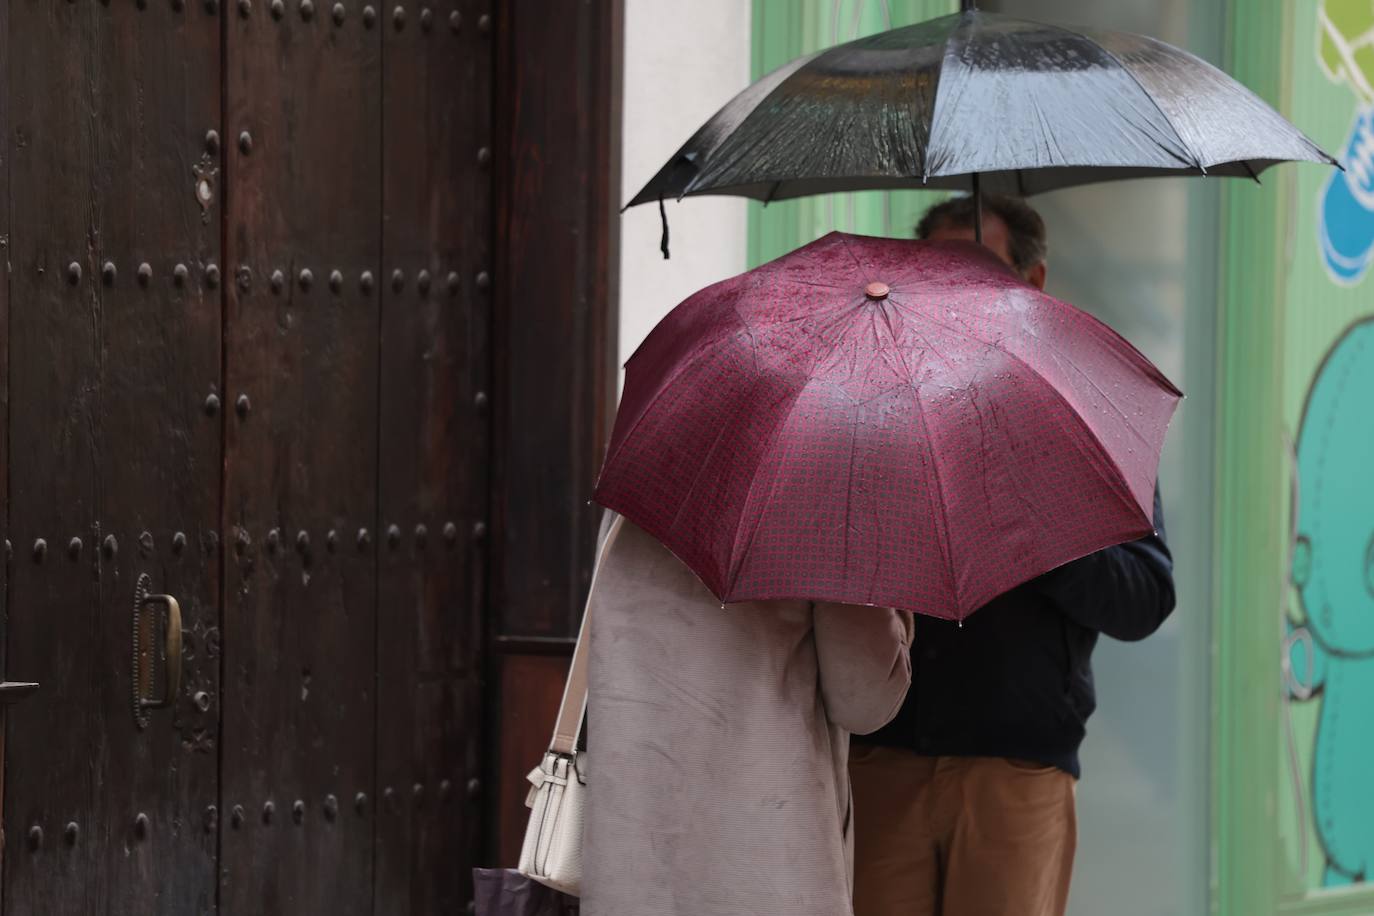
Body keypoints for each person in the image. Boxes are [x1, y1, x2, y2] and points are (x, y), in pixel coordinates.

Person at [849, 194, 1176, 916]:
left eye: (977, 268)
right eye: (935, 270)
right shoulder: (870, 399)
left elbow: (1143, 599)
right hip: (879, 761)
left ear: (1032, 281)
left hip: (1016, 772)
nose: (953, 290)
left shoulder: (1087, 406)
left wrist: (1035, 524)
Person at [582, 514, 914, 916]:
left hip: (633, 856)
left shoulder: (638, 497)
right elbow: (864, 702)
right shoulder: (829, 510)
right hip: (769, 862)